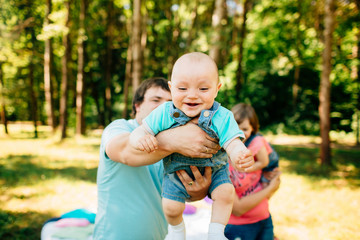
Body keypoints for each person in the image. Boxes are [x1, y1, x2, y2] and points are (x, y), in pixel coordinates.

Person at [129, 52, 255, 240]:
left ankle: (216, 233)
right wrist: (140, 138)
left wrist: (239, 154)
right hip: (176, 174)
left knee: (226, 193)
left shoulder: (222, 116)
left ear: (217, 89)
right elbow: (140, 131)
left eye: (203, 89)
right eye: (182, 88)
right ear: (171, 89)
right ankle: (177, 231)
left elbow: (232, 142)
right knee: (171, 207)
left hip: (215, 172)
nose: (192, 95)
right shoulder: (164, 113)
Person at [93, 77, 222, 240]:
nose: (164, 106)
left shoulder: (180, 146)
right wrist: (175, 140)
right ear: (137, 106)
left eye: (170, 102)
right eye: (156, 100)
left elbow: (183, 189)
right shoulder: (120, 127)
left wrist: (195, 189)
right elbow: (126, 152)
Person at [225, 103, 281, 240]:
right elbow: (237, 209)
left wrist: (273, 180)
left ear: (252, 129)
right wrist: (271, 188)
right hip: (238, 227)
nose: (239, 133)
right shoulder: (221, 162)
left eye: (244, 129)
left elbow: (272, 173)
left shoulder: (253, 147)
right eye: (235, 127)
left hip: (265, 219)